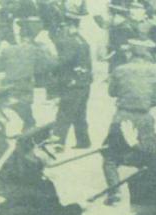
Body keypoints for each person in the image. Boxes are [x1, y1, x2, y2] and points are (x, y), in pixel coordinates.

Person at [101, 38, 156, 205]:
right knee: (149, 155)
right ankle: (150, 194)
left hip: (123, 117)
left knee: (110, 157)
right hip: (145, 118)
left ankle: (115, 193)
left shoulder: (119, 69)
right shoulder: (153, 71)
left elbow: (112, 92)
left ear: (130, 52)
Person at [50, 6, 93, 150]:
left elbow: (62, 61)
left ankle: (57, 143)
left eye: (64, 26)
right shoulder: (82, 39)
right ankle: (83, 141)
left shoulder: (70, 42)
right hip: (84, 82)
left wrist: (50, 63)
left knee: (64, 113)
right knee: (80, 113)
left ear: (69, 25)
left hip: (72, 83)